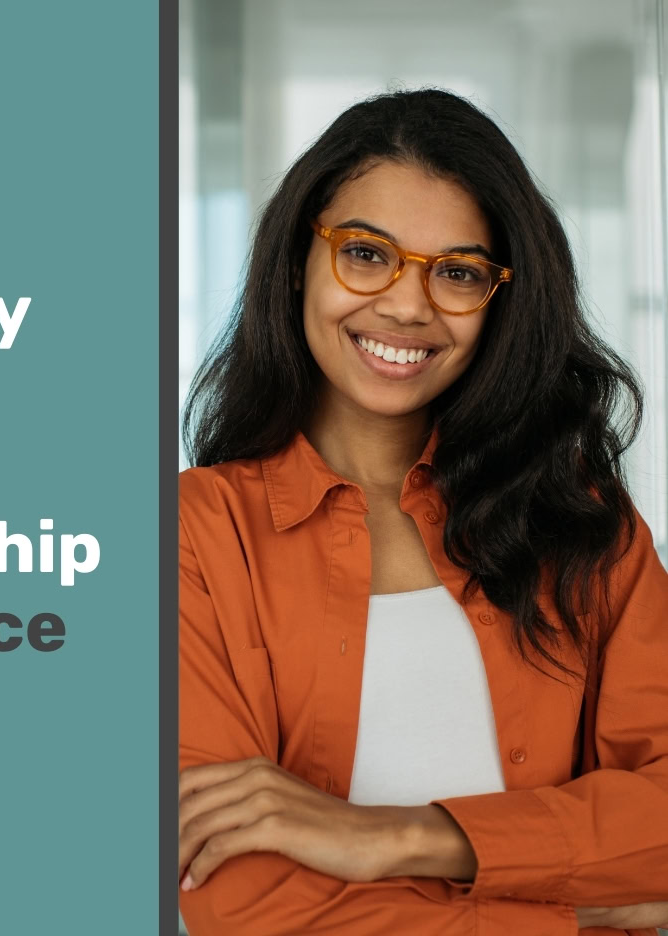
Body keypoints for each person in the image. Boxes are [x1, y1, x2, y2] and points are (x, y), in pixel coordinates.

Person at [178, 88, 668, 935]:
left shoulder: (583, 521)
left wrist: (395, 837)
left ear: (500, 300)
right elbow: (240, 896)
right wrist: (587, 917)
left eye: (459, 272)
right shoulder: (189, 538)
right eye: (365, 254)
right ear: (298, 260)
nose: (408, 306)